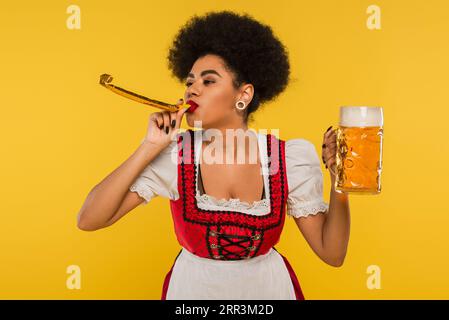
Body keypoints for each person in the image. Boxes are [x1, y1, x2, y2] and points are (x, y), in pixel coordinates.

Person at [77, 10, 350, 300]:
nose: (191, 90)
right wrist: (149, 146)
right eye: (189, 81)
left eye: (208, 82)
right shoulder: (175, 156)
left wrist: (339, 180)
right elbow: (90, 219)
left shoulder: (288, 157)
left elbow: (332, 253)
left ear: (243, 95)